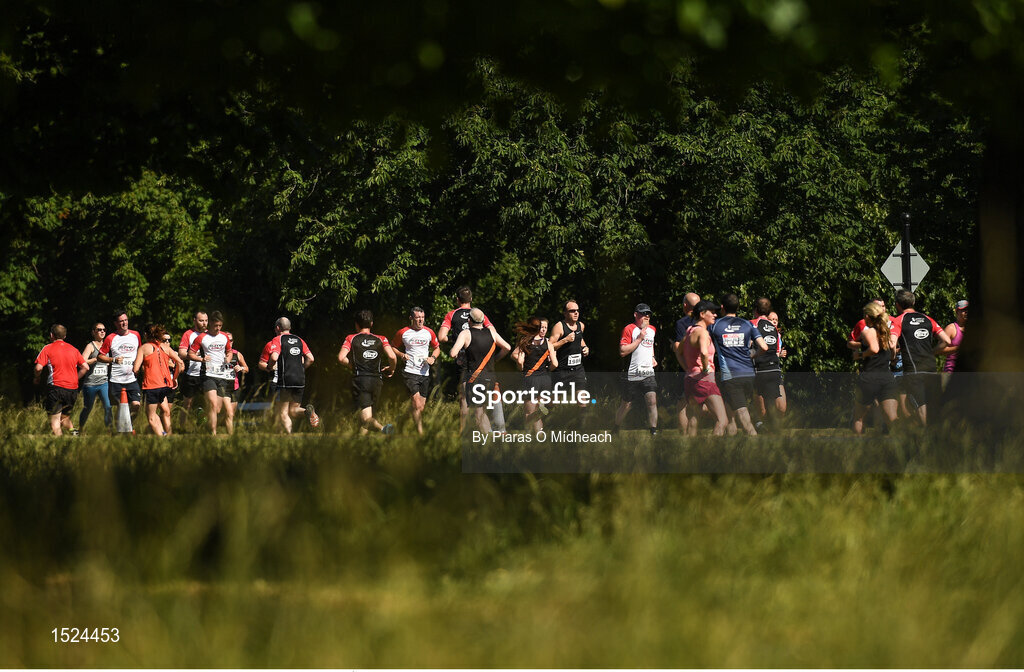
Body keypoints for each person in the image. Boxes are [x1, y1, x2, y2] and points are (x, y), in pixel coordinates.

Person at [708, 293, 768, 436]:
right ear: (738, 307)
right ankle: (731, 448)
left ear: (722, 308)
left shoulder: (715, 326)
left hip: (731, 377)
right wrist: (753, 354)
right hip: (749, 374)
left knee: (742, 413)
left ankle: (756, 445)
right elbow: (764, 347)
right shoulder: (747, 324)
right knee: (729, 413)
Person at [891, 289, 952, 425]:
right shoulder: (927, 318)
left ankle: (930, 440)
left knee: (921, 406)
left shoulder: (899, 320)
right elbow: (946, 341)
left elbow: (891, 344)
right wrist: (932, 351)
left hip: (913, 371)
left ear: (897, 305)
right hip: (931, 369)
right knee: (931, 407)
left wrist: (892, 356)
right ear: (913, 302)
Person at [437, 286, 494, 430]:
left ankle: (463, 433)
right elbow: (492, 332)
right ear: (471, 299)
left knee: (464, 400)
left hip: (463, 361)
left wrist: (456, 339)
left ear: (457, 300)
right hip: (480, 360)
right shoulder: (478, 314)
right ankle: (484, 433)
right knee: (480, 403)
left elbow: (441, 337)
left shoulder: (452, 315)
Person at [450, 308, 512, 434]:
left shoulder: (466, 333)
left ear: (469, 321)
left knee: (479, 412)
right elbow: (507, 347)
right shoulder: (491, 333)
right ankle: (494, 436)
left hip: (475, 378)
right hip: (491, 378)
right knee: (484, 409)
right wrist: (495, 359)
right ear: (483, 320)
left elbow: (452, 353)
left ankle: (489, 442)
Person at [339, 310, 399, 435]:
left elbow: (341, 357)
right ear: (371, 324)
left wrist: (352, 365)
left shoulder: (351, 338)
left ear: (356, 324)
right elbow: (392, 357)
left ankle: (384, 429)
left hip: (361, 380)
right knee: (366, 418)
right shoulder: (381, 339)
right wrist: (391, 369)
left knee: (366, 418)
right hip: (377, 381)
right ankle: (360, 449)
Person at [681, 301, 729, 436]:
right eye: (712, 312)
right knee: (722, 420)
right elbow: (703, 352)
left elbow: (678, 350)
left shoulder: (689, 330)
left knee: (694, 418)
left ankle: (689, 452)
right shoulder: (702, 332)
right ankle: (711, 454)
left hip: (690, 380)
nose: (715, 315)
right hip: (704, 380)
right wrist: (706, 368)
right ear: (702, 314)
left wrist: (688, 368)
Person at [852, 301, 900, 434]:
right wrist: (891, 358)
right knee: (892, 418)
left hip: (869, 378)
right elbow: (892, 349)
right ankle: (905, 447)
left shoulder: (868, 332)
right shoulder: (886, 331)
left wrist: (860, 355)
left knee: (859, 418)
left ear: (868, 316)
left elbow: (874, 348)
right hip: (887, 378)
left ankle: (856, 452)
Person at [34, 324, 89, 436]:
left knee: (54, 421)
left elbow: (38, 367)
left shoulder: (48, 348)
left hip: (56, 387)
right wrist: (75, 378)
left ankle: (61, 445)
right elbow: (86, 367)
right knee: (64, 417)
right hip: (72, 389)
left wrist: (37, 377)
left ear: (51, 335)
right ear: (64, 336)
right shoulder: (74, 349)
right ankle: (75, 435)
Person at [266, 317, 318, 433]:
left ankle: (289, 437)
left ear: (278, 328)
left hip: (285, 379)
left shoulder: (278, 339)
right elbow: (311, 358)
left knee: (283, 412)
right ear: (289, 327)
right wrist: (302, 369)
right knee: (294, 410)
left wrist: (269, 366)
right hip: (300, 379)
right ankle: (308, 411)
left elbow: (274, 357)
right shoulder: (299, 339)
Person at [393, 307, 440, 435]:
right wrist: (401, 355)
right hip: (410, 371)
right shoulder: (403, 332)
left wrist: (433, 358)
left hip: (424, 372)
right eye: (418, 317)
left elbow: (437, 348)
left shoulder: (429, 332)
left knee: (420, 407)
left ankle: (401, 420)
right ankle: (421, 434)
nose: (421, 320)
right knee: (416, 403)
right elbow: (393, 347)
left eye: (423, 318)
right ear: (411, 318)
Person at [188, 311, 236, 435]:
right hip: (208, 374)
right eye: (216, 326)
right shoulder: (202, 337)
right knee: (213, 404)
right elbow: (190, 353)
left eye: (220, 326)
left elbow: (229, 352)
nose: (218, 328)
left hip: (222, 374)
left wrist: (228, 359)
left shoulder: (224, 336)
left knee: (218, 409)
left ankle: (201, 416)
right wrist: (201, 359)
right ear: (210, 324)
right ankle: (213, 434)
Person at [615, 303, 659, 435]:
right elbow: (622, 351)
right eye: (643, 313)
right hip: (633, 373)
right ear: (636, 315)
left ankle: (653, 431)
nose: (646, 316)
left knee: (652, 400)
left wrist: (652, 356)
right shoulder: (629, 329)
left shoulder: (652, 329)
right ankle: (616, 428)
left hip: (648, 372)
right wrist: (639, 338)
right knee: (626, 404)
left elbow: (650, 345)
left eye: (648, 314)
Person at [133, 324, 185, 436]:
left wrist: (139, 370)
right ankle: (168, 435)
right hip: (164, 385)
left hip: (151, 386)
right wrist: (174, 378)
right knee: (165, 411)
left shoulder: (144, 348)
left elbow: (136, 368)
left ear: (146, 335)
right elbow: (180, 363)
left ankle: (162, 438)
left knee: (151, 416)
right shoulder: (165, 347)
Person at [511, 316, 558, 432]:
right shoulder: (548, 342)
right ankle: (539, 435)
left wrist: (520, 364)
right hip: (545, 380)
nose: (543, 330)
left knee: (529, 412)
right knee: (537, 411)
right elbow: (555, 364)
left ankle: (528, 436)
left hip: (530, 379)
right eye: (541, 327)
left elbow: (516, 358)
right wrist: (547, 368)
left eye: (545, 328)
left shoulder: (525, 341)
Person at [549, 299, 591, 419]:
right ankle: (543, 420)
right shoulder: (559, 326)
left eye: (577, 310)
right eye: (572, 311)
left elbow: (580, 339)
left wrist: (585, 347)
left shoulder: (580, 325)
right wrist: (565, 340)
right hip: (562, 370)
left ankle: (584, 428)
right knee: (554, 401)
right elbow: (549, 346)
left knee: (582, 399)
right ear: (565, 313)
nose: (576, 313)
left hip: (578, 369)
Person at [98, 309, 143, 414]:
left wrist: (140, 366)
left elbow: (140, 352)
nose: (124, 323)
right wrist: (113, 359)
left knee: (136, 405)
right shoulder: (110, 338)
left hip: (132, 378)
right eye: (121, 321)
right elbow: (100, 356)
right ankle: (122, 429)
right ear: (116, 323)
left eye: (126, 320)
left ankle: (129, 425)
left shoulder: (136, 335)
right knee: (121, 408)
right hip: (116, 380)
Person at [751, 298, 787, 425]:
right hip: (770, 369)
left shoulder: (752, 324)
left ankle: (767, 427)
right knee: (767, 404)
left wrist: (749, 354)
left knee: (771, 405)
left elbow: (746, 343)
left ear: (755, 310)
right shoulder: (772, 328)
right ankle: (765, 426)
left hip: (763, 369)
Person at [671, 292, 702, 430]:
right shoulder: (705, 322)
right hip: (706, 367)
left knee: (682, 404)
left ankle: (685, 438)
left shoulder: (681, 323)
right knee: (697, 405)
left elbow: (678, 347)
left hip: (688, 369)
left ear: (685, 305)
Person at [78, 322, 113, 431]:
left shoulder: (107, 345)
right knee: (88, 408)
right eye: (99, 329)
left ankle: (110, 431)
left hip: (104, 382)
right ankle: (80, 429)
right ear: (93, 332)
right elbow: (82, 362)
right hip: (91, 384)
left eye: (104, 329)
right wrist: (94, 360)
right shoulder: (90, 346)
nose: (102, 331)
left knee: (108, 407)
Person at [177, 310, 208, 412]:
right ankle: (182, 427)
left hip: (208, 374)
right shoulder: (188, 334)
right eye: (201, 320)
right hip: (191, 374)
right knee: (187, 405)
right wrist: (193, 355)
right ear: (195, 321)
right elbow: (181, 353)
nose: (204, 323)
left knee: (209, 403)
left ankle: (206, 426)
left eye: (206, 321)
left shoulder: (211, 334)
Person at [941, 299, 968, 373]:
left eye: (968, 310)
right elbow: (941, 350)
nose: (966, 312)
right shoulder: (951, 328)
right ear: (957, 312)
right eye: (963, 310)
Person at [229, 347, 249, 417]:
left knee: (231, 414)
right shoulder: (217, 353)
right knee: (220, 411)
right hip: (220, 386)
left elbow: (246, 368)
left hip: (234, 387)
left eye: (231, 340)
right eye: (228, 340)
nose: (230, 342)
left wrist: (241, 368)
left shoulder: (236, 353)